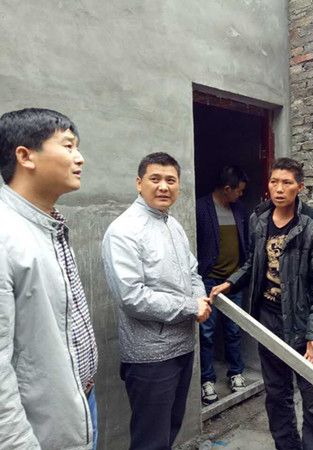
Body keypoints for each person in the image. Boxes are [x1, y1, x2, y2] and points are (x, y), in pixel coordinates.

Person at [210, 157, 313, 450]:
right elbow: (253, 263)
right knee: (277, 393)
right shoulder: (258, 218)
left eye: (287, 183)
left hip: (302, 324)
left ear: (300, 187)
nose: (279, 189)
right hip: (267, 320)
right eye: (274, 182)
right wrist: (231, 282)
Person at [0, 108, 98, 449]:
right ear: (25, 156)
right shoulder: (6, 235)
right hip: (38, 429)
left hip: (79, 402)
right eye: (68, 146)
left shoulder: (47, 222)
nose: (80, 158)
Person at [102, 152, 211, 450]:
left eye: (171, 180)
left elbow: (192, 271)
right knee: (150, 440)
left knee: (170, 430)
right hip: (150, 356)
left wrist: (199, 297)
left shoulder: (173, 225)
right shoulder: (123, 231)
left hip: (183, 346)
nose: (164, 186)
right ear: (139, 183)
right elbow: (132, 297)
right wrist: (192, 307)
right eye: (155, 179)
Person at [196, 165, 249, 405]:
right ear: (227, 188)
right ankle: (207, 379)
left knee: (233, 330)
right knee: (206, 333)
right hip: (209, 281)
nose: (241, 194)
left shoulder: (239, 209)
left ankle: (235, 373)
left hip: (233, 282)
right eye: (239, 190)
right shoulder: (201, 208)